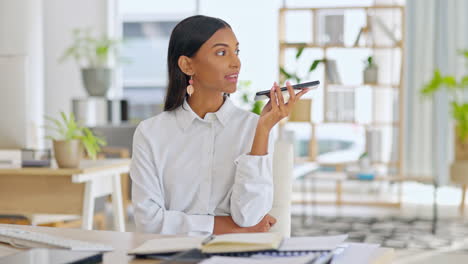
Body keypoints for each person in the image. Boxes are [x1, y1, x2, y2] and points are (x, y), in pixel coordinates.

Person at [130, 15, 311, 235]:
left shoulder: (254, 127)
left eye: (237, 51)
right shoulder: (151, 134)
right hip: (173, 255)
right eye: (222, 52)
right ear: (187, 64)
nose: (236, 62)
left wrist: (262, 131)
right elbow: (148, 222)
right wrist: (228, 228)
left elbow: (250, 217)